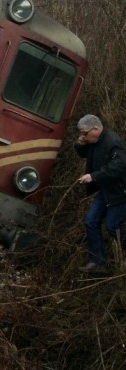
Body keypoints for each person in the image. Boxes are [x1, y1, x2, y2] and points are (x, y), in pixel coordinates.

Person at [74, 114, 126, 272]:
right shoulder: (93, 142)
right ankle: (97, 261)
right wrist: (80, 144)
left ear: (95, 129)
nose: (83, 136)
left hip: (121, 192)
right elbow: (84, 154)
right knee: (91, 221)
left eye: (84, 133)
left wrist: (93, 176)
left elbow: (119, 166)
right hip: (105, 191)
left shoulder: (113, 142)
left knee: (112, 226)